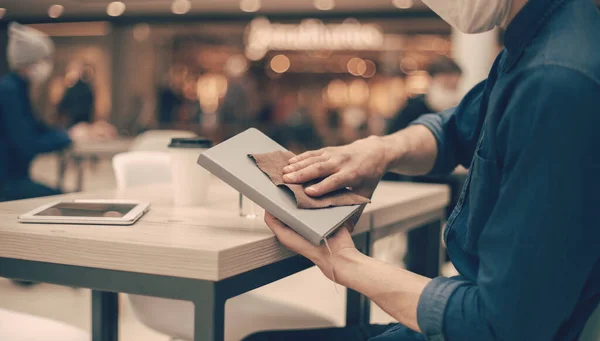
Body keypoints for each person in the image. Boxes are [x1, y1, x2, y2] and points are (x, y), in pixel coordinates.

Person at [246, 0, 600, 340]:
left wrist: (342, 260)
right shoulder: (535, 43)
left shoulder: (556, 83)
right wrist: (382, 150)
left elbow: (498, 326)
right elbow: (456, 129)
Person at [0, 23, 84, 202]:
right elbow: (28, 144)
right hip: (7, 184)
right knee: (66, 200)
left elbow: (37, 127)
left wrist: (68, 134)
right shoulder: (9, 91)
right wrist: (69, 137)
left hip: (13, 179)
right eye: (44, 60)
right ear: (29, 62)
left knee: (65, 196)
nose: (47, 65)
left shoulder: (17, 88)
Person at [387, 56, 462, 135]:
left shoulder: (460, 111)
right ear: (432, 80)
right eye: (446, 84)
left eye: (454, 86)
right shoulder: (414, 108)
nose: (450, 91)